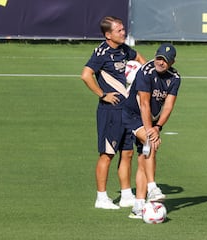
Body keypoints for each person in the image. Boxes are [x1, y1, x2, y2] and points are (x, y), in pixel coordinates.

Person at [80, 16, 146, 209]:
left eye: (123, 29)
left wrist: (143, 74)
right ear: (108, 35)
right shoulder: (101, 52)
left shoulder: (125, 50)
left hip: (128, 110)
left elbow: (140, 58)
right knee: (107, 154)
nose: (123, 33)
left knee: (127, 153)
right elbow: (85, 75)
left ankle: (126, 194)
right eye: (119, 30)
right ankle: (101, 198)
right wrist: (103, 95)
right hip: (111, 111)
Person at [122, 43, 181, 218]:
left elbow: (169, 106)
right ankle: (152, 188)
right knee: (151, 144)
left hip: (151, 121)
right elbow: (145, 104)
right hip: (133, 115)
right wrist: (150, 132)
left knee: (143, 159)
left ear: (172, 62)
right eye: (159, 58)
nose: (161, 62)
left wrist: (158, 127)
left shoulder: (175, 78)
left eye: (165, 60)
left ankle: (138, 207)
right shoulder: (145, 72)